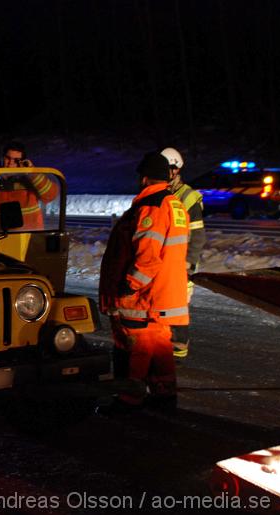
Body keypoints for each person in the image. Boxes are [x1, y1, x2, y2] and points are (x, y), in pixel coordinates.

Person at [98, 152, 189, 412]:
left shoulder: (152, 207)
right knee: (160, 347)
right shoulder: (174, 203)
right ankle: (164, 394)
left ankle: (129, 399)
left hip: (144, 296)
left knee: (137, 346)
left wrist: (130, 286)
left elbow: (148, 257)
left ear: (144, 178)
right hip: (162, 293)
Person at [161, 147, 206, 361]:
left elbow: (197, 236)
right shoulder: (165, 193)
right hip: (166, 264)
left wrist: (188, 264)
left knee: (176, 314)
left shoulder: (187, 197)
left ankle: (177, 355)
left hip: (180, 266)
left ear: (175, 170)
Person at [0, 141, 58, 230]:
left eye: (16, 160)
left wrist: (32, 172)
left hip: (30, 238)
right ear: (1, 157)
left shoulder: (30, 180)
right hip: (0, 238)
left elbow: (50, 195)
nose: (10, 163)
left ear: (22, 161)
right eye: (7, 158)